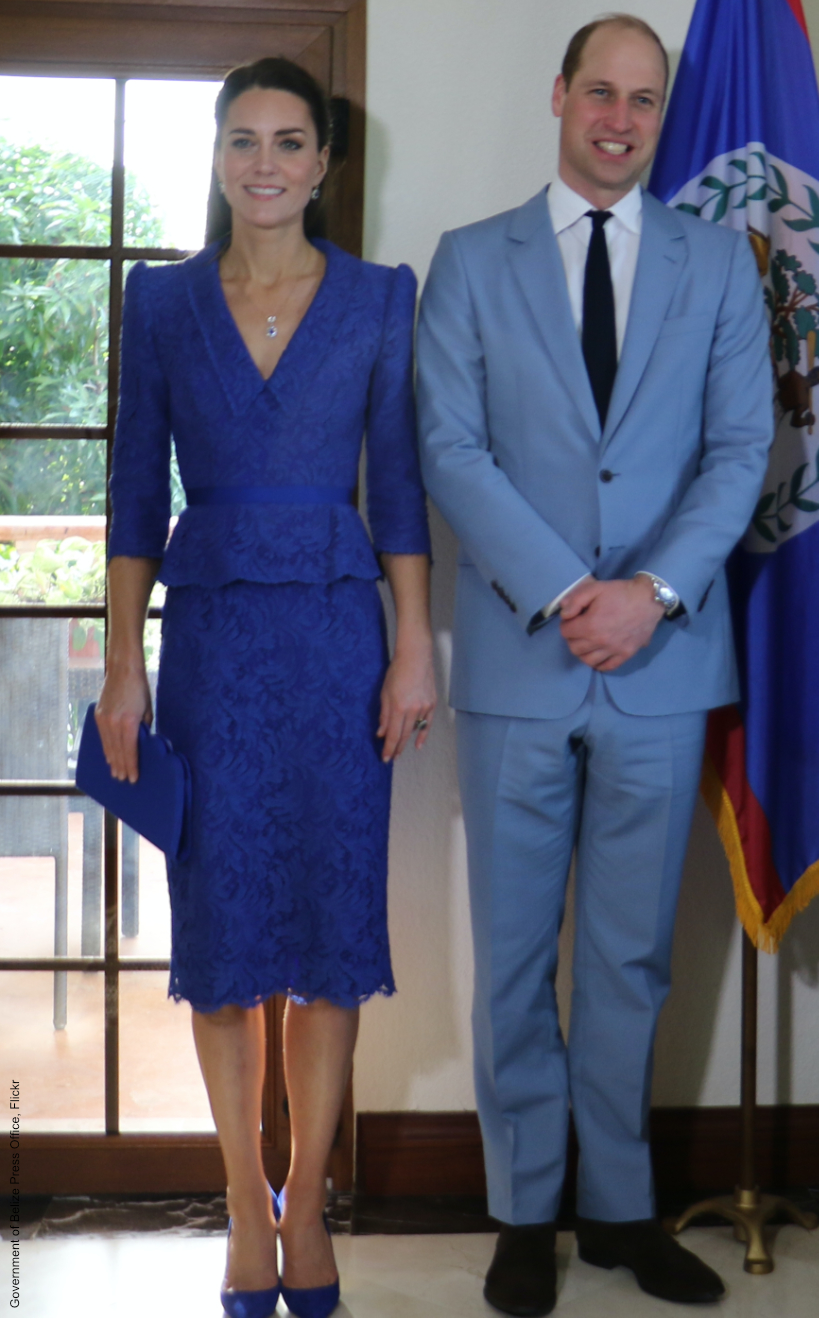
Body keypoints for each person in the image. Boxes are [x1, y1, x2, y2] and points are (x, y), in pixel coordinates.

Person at [417, 15, 772, 1317]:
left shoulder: (721, 264)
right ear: (558, 95)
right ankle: (526, 1209)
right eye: (600, 94)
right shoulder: (470, 263)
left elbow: (742, 448)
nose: (620, 120)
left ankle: (617, 1208)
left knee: (628, 955)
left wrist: (652, 592)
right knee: (514, 948)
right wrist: (574, 592)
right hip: (522, 658)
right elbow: (451, 450)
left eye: (643, 100)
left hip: (666, 660)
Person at [96, 57, 435, 1319]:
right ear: (219, 154)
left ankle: (307, 1195)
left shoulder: (378, 298)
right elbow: (132, 496)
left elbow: (397, 490)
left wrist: (414, 644)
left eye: (291, 141)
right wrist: (123, 660)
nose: (266, 164)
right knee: (230, 942)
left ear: (325, 163)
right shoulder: (165, 302)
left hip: (343, 644)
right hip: (214, 653)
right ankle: (246, 1199)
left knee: (330, 941)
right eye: (243, 139)